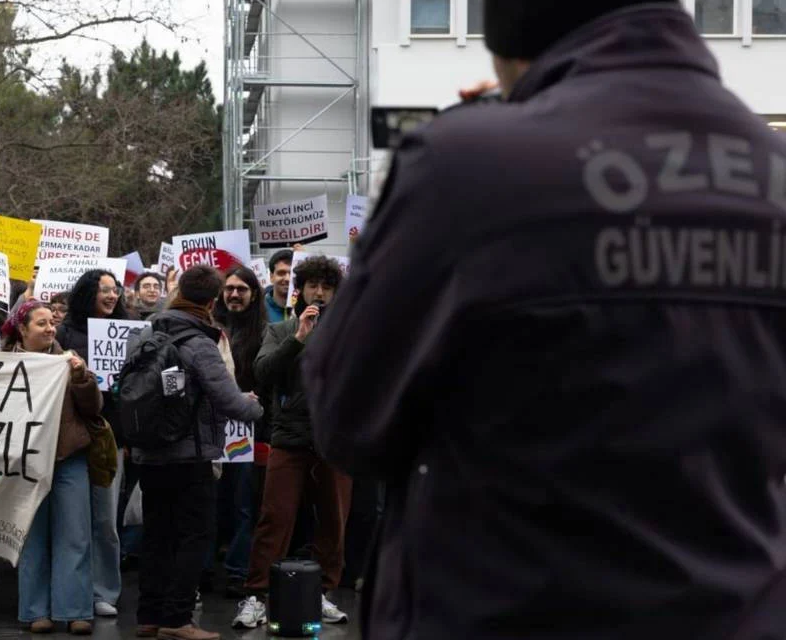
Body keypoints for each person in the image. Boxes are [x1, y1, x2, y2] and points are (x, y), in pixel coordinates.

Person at [304, 2, 786, 639]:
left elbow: (346, 414)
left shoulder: (466, 164)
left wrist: (442, 170)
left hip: (505, 609)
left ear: (512, 36)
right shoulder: (773, 172)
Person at [132, 265, 263, 640]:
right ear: (210, 300)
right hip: (190, 457)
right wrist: (255, 407)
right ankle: (178, 620)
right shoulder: (200, 342)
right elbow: (230, 401)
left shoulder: (145, 333)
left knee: (157, 535)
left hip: (149, 453)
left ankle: (149, 616)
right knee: (194, 535)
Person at [234, 256, 351, 630]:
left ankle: (323, 592)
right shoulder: (281, 330)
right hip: (290, 439)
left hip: (334, 441)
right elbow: (262, 373)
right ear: (301, 290)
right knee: (275, 518)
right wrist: (299, 338)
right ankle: (256, 594)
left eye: (327, 286)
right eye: (314, 285)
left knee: (333, 522)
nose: (320, 292)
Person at [4, 300, 102, 635]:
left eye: (52, 323)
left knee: (75, 535)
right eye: (41, 323)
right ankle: (35, 612)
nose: (50, 329)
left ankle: (74, 610)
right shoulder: (3, 365)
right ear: (22, 328)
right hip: (26, 463)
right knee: (32, 538)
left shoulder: (69, 360)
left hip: (67, 458)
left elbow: (93, 408)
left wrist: (81, 378)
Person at [56, 269, 134, 618]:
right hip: (72, 438)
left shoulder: (129, 332)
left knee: (105, 519)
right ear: (88, 292)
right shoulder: (64, 334)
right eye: (104, 289)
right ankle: (75, 589)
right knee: (74, 522)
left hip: (110, 436)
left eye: (115, 289)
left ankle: (105, 591)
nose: (112, 295)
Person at [210, 265, 269, 598]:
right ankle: (204, 569)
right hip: (211, 428)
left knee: (243, 504)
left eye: (241, 289)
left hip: (246, 431)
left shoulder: (264, 332)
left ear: (253, 294)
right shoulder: (208, 328)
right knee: (209, 501)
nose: (234, 294)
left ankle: (236, 571)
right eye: (229, 288)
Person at [263, 250, 292, 324]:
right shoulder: (257, 310)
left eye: (292, 273)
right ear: (271, 277)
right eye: (281, 273)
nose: (287, 278)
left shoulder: (307, 309)